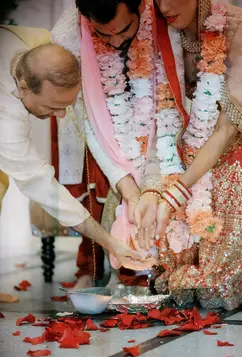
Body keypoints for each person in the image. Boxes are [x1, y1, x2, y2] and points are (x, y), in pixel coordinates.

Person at [143, 0, 242, 310]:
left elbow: (226, 130)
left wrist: (176, 193)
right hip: (205, 144)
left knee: (223, 209)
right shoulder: (164, 32)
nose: (166, 5)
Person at [0, 25, 147, 273]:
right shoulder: (7, 117)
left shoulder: (42, 40)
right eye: (53, 106)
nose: (61, 114)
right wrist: (109, 242)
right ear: (23, 88)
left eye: (65, 104)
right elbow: (42, 186)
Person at [51, 0, 165, 287]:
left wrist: (149, 184)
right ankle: (92, 268)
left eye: (124, 29)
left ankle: (152, 268)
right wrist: (128, 188)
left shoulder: (164, 14)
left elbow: (169, 110)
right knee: (96, 187)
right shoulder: (70, 33)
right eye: (103, 34)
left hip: (159, 123)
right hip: (101, 129)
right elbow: (87, 118)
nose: (115, 42)